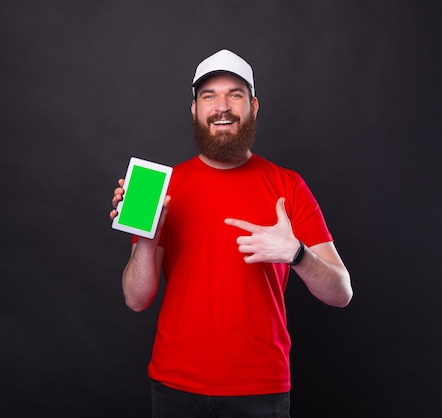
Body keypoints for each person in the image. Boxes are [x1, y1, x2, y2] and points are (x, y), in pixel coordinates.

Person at [109, 49, 353, 418]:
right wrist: (147, 236)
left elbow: (341, 293)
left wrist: (298, 254)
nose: (222, 107)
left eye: (235, 94)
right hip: (175, 386)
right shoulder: (159, 187)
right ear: (194, 109)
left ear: (253, 106)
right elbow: (135, 299)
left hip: (260, 390)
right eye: (209, 96)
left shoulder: (288, 185)